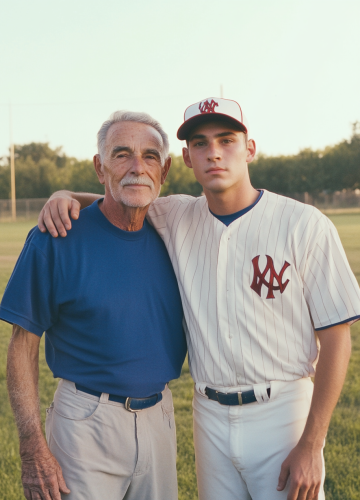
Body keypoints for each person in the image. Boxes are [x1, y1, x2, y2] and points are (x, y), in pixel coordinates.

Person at [39, 97, 360, 500]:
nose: (214, 153)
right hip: (209, 415)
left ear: (250, 148)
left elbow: (336, 337)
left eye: (227, 140)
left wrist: (312, 444)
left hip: (282, 410)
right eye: (201, 144)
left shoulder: (304, 223)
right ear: (188, 159)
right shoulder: (175, 216)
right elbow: (121, 195)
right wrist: (65, 194)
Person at [0, 111, 187, 500]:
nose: (138, 167)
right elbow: (22, 345)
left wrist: (67, 193)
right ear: (99, 167)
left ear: (165, 169)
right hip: (85, 423)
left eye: (150, 156)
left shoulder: (177, 234)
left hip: (160, 419)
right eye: (122, 154)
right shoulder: (55, 237)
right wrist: (32, 444)